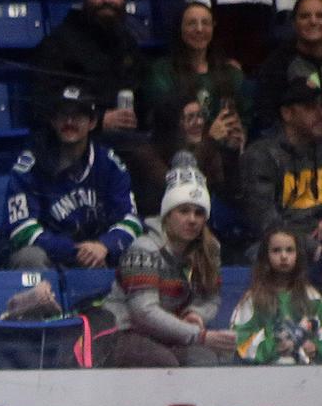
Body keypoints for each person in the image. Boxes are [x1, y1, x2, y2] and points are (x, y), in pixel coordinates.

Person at [95, 156, 234, 366]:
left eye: (199, 213)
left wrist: (196, 314)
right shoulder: (144, 249)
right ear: (168, 215)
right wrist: (198, 335)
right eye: (183, 211)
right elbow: (143, 313)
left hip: (171, 336)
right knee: (163, 361)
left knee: (205, 359)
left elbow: (211, 299)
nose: (192, 219)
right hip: (123, 333)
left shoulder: (209, 250)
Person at [6, 85, 145, 271]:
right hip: (51, 257)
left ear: (92, 122)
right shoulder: (29, 166)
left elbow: (131, 220)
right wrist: (74, 250)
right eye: (63, 116)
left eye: (78, 116)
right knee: (29, 257)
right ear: (53, 121)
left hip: (98, 253)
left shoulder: (110, 165)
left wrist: (105, 246)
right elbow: (21, 230)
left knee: (141, 250)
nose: (69, 122)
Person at [30, 0, 147, 147]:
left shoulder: (128, 42)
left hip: (125, 137)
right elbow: (45, 102)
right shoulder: (59, 42)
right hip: (76, 138)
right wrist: (99, 120)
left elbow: (142, 95)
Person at [241, 80, 322, 249]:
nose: (321, 114)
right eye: (310, 107)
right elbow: (265, 221)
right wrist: (307, 245)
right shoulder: (261, 156)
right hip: (279, 247)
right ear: (287, 113)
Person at [131, 96, 244, 237]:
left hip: (200, 233)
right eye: (190, 117)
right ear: (171, 124)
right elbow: (175, 184)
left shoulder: (206, 148)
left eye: (201, 116)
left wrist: (231, 151)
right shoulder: (144, 153)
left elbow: (231, 195)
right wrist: (209, 141)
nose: (199, 122)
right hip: (156, 232)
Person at [252, 0, 322, 142]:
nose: (313, 21)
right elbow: (267, 116)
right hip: (298, 149)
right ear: (294, 23)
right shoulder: (277, 64)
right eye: (305, 16)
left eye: (320, 16)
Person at [231, 226, 322, 362]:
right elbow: (240, 339)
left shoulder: (312, 297)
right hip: (264, 374)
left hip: (307, 373)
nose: (283, 256)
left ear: (298, 255)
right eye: (276, 251)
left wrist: (315, 346)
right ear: (265, 256)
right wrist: (273, 347)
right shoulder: (253, 299)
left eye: (289, 250)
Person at [142, 1, 247, 132]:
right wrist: (209, 136)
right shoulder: (162, 71)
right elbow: (164, 120)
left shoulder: (231, 73)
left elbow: (243, 119)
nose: (199, 29)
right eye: (191, 23)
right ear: (179, 28)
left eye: (205, 23)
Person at [176, 0, 296, 71]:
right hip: (221, 5)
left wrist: (286, 4)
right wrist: (201, 3)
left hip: (264, 6)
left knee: (259, 71)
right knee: (223, 71)